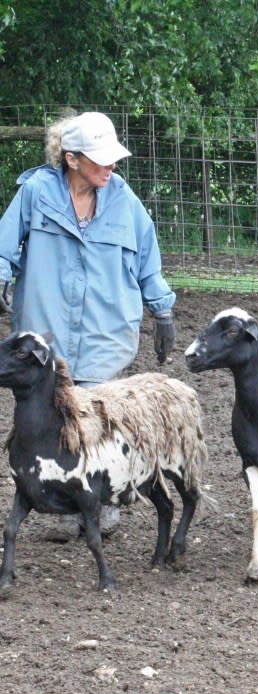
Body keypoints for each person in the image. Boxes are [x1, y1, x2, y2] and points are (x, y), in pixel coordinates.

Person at [0, 111, 176, 542]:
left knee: (98, 421)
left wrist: (163, 309)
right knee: (49, 420)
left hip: (105, 327)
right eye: (101, 159)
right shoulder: (37, 193)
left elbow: (147, 259)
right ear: (72, 158)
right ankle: (63, 505)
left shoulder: (124, 199)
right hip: (48, 329)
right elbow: (4, 243)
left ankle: (101, 502)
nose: (111, 166)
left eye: (113, 158)